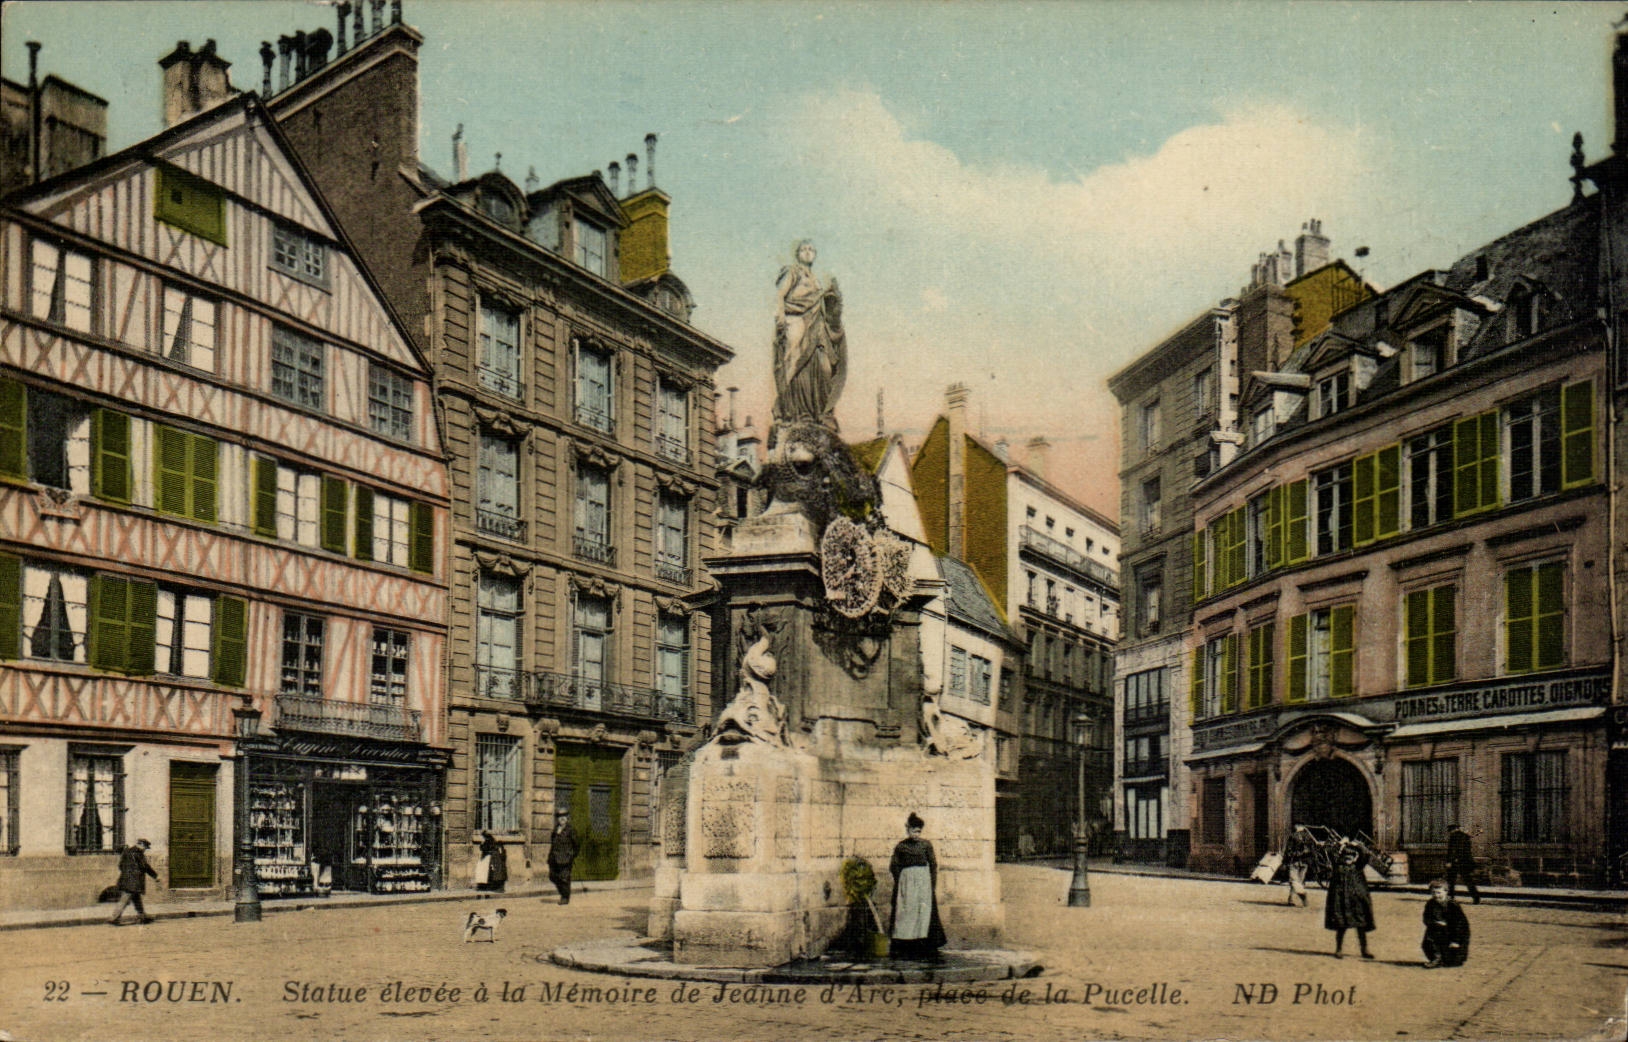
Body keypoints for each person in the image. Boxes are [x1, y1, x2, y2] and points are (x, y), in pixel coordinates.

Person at [772, 240, 847, 430]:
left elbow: (827, 306)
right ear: (797, 253)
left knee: (823, 368)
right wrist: (780, 316)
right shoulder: (792, 271)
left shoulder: (816, 279)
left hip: (815, 324)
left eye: (811, 250)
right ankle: (794, 410)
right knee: (794, 363)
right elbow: (781, 294)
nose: (807, 252)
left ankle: (819, 412)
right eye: (804, 249)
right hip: (796, 320)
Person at [888, 812, 947, 960]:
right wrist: (902, 880)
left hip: (923, 882)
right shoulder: (901, 846)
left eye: (919, 831)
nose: (916, 834)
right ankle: (905, 943)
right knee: (907, 911)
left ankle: (923, 943)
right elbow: (894, 865)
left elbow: (933, 864)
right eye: (913, 831)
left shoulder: (926, 845)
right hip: (907, 882)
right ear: (908, 830)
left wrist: (931, 883)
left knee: (923, 911)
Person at [1324, 838, 1375, 959]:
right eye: (1346, 856)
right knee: (1341, 926)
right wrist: (1340, 843)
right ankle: (1339, 949)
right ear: (1342, 857)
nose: (1348, 858)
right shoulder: (1337, 866)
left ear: (1355, 857)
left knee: (1361, 926)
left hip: (1357, 902)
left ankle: (1364, 949)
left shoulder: (1358, 867)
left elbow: (1367, 854)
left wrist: (1358, 845)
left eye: (1351, 856)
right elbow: (1330, 852)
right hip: (1341, 902)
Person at [1421, 879, 1470, 968]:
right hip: (1437, 930)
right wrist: (1434, 922)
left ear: (1446, 892)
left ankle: (1445, 957)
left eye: (1439, 893)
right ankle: (1436, 958)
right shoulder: (1430, 903)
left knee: (1452, 962)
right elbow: (1426, 918)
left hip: (1454, 933)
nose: (1436, 895)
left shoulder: (1452, 905)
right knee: (1429, 940)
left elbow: (1460, 925)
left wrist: (1456, 941)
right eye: (1433, 893)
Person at [109, 838, 158, 926]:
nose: (145, 850)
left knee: (136, 898)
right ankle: (114, 918)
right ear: (141, 845)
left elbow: (120, 865)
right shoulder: (138, 853)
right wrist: (155, 876)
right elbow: (145, 866)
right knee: (125, 899)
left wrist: (126, 873)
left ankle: (143, 916)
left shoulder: (127, 851)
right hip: (134, 881)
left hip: (125, 879)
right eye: (145, 847)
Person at [547, 812, 579, 905]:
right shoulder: (555, 829)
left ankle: (565, 897)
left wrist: (571, 856)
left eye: (564, 816)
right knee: (552, 876)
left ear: (567, 818)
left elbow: (576, 845)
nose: (562, 818)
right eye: (560, 816)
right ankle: (562, 893)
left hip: (566, 859)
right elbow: (553, 843)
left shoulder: (571, 830)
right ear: (557, 818)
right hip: (554, 858)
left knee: (564, 878)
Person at [1446, 824, 1481, 904]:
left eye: (1451, 831)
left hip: (1456, 862)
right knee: (1468, 880)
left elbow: (1454, 850)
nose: (1450, 832)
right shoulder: (1465, 836)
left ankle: (1450, 897)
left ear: (1453, 830)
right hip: (1465, 862)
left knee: (1451, 880)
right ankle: (1476, 897)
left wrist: (1450, 861)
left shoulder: (1454, 836)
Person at [1284, 825, 1314, 907]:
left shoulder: (1293, 836)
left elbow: (1288, 851)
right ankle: (1292, 899)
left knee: (1294, 881)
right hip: (1304, 862)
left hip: (1294, 861)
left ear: (1297, 826)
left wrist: (1286, 860)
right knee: (1299, 881)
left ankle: (1301, 896)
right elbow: (1312, 850)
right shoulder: (1309, 837)